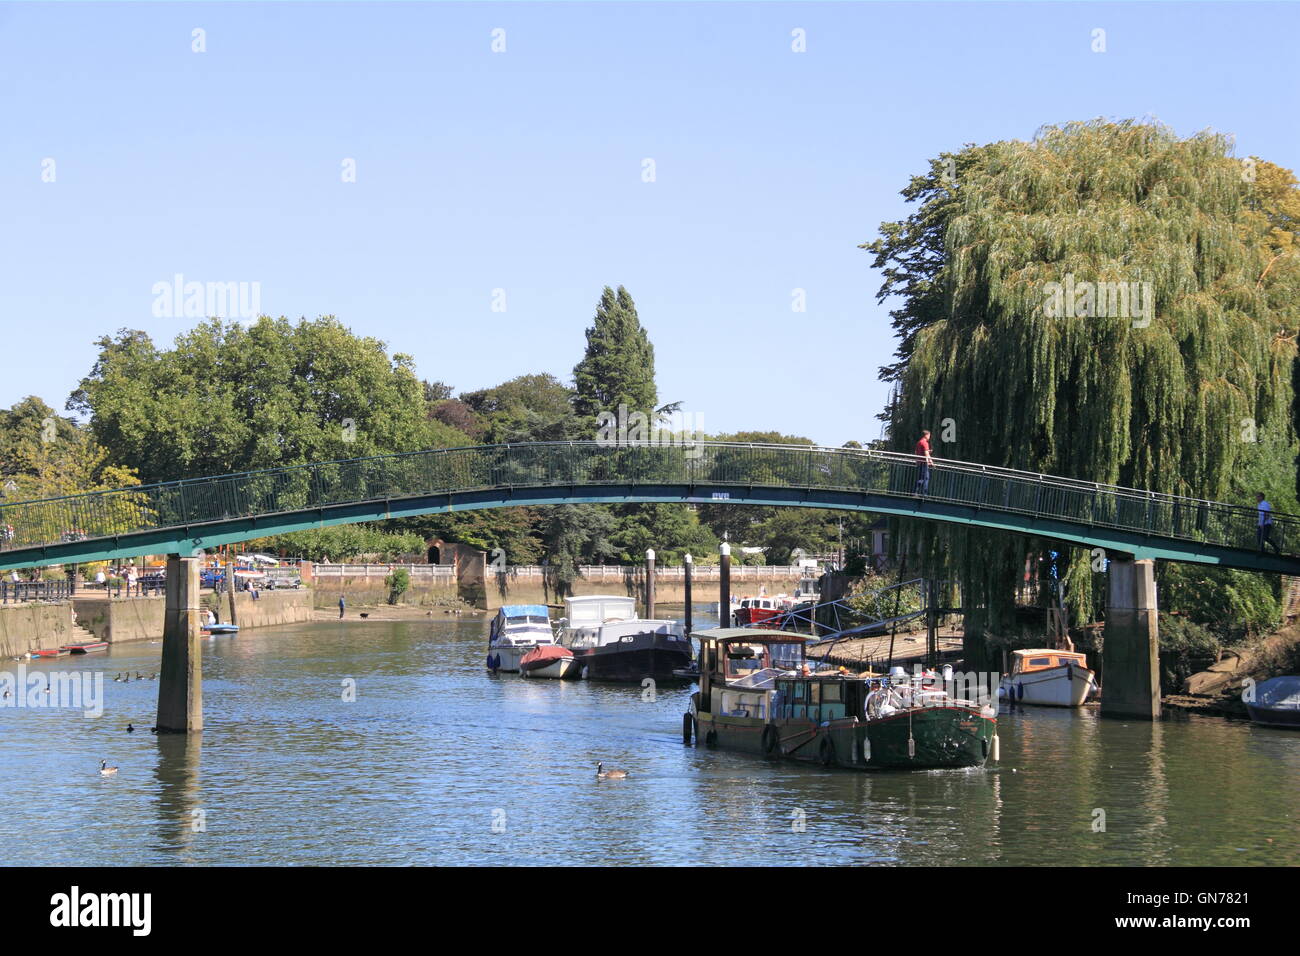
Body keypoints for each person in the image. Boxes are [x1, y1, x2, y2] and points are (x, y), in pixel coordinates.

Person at [914, 428, 934, 495]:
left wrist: (917, 461)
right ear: (926, 435)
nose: (929, 437)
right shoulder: (925, 443)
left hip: (919, 462)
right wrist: (931, 462)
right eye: (929, 435)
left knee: (920, 478)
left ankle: (916, 492)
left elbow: (916, 452)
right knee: (926, 478)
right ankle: (924, 494)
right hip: (924, 463)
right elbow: (926, 454)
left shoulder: (919, 442)